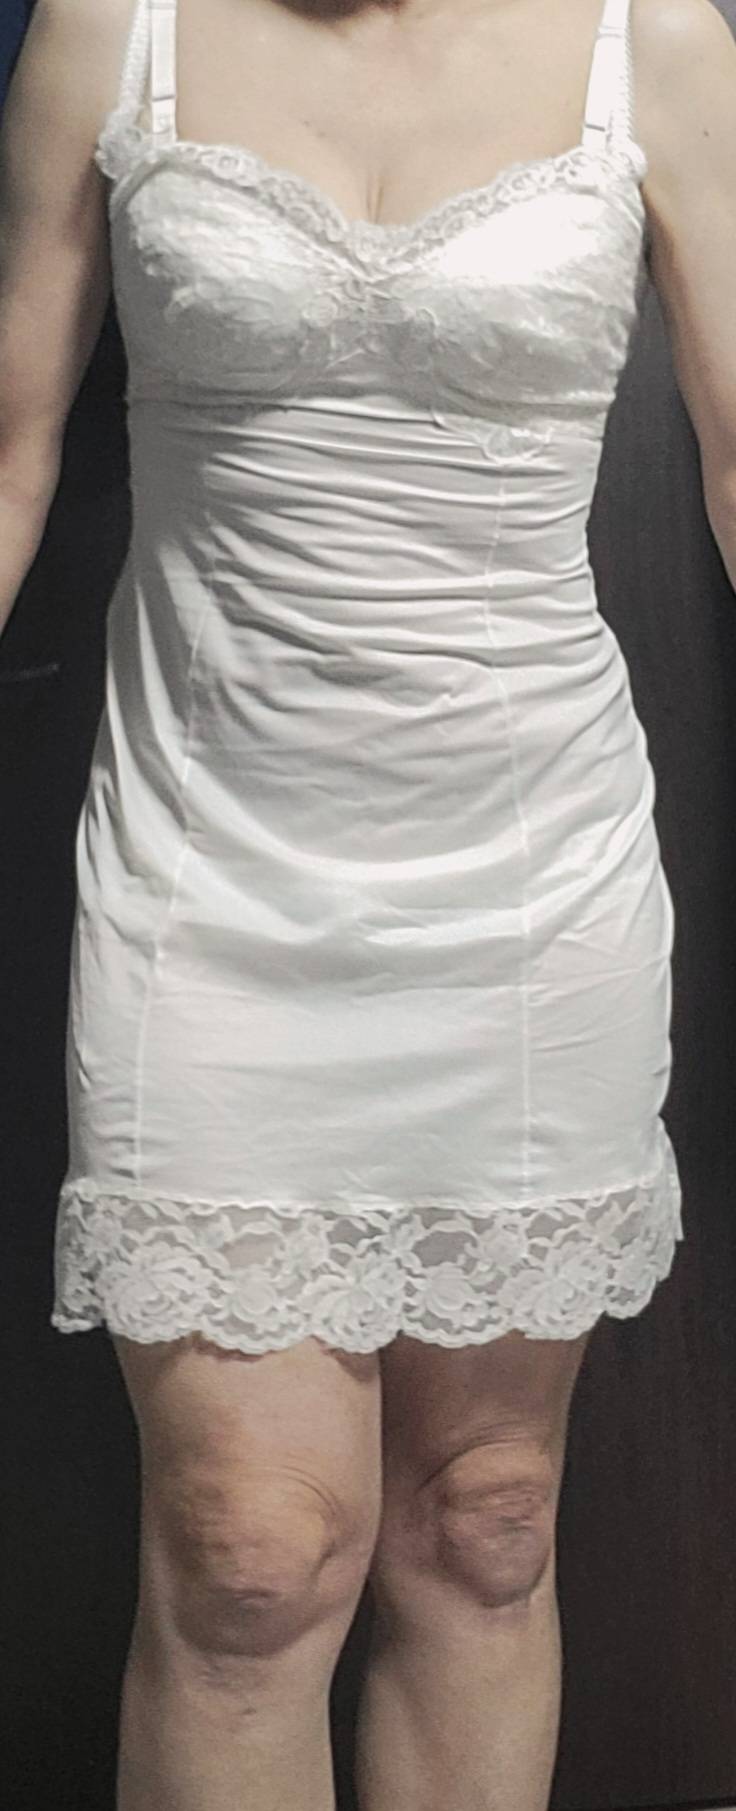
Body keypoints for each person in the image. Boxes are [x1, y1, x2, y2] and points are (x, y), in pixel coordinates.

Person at [2, 0, 735, 1805]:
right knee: (246, 1558)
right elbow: (9, 452)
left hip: (534, 882)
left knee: (486, 1523)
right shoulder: (114, 27)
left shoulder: (660, 37)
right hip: (209, 874)